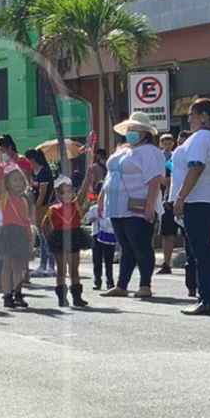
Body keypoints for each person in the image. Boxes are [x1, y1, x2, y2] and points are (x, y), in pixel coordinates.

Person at [99, 112, 166, 299]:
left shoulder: (150, 151)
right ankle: (122, 284)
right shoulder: (123, 150)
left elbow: (154, 179)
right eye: (129, 130)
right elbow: (109, 176)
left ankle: (145, 284)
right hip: (117, 206)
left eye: (135, 130)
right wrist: (101, 198)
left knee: (141, 245)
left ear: (145, 133)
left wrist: (149, 206)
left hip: (137, 205)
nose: (131, 133)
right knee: (125, 246)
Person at [172, 99, 210, 316]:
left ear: (203, 116)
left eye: (192, 115)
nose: (189, 119)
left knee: (200, 252)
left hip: (197, 200)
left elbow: (195, 168)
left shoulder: (201, 137)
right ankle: (207, 296)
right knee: (205, 250)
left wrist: (180, 197)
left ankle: (206, 298)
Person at [41, 161, 95, 307]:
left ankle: (77, 297)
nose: (67, 195)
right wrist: (48, 238)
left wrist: (88, 178)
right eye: (63, 193)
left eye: (69, 192)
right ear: (57, 194)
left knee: (74, 269)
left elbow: (83, 193)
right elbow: (45, 223)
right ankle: (61, 297)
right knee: (61, 270)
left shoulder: (75, 205)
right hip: (59, 237)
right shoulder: (53, 209)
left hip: (74, 236)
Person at [0, 159, 33, 308]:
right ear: (7, 183)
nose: (18, 182)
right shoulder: (4, 197)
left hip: (20, 234)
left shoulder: (24, 201)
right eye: (14, 180)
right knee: (7, 265)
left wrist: (30, 238)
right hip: (8, 233)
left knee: (18, 266)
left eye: (21, 179)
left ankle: (18, 293)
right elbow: (0, 179)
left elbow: (26, 221)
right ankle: (7, 295)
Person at [26, 147, 56, 277]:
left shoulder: (44, 171)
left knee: (47, 236)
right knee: (42, 236)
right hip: (37, 206)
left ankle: (51, 265)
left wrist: (36, 208)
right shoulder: (35, 172)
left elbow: (43, 193)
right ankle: (43, 264)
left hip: (45, 206)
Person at [83, 201, 116, 291]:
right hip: (96, 235)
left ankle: (110, 282)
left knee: (109, 260)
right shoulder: (94, 208)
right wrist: (91, 219)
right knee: (97, 260)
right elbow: (85, 220)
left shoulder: (113, 208)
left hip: (109, 235)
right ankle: (97, 282)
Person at [157, 133, 178, 273]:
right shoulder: (158, 157)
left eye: (169, 143)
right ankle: (166, 263)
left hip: (179, 195)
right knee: (167, 232)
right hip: (165, 197)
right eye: (165, 143)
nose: (167, 145)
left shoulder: (176, 155)